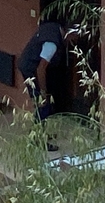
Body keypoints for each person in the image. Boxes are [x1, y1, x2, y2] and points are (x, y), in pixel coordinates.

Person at [18, 19, 72, 150]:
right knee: (42, 105)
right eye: (74, 37)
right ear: (68, 33)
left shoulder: (53, 27)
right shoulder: (52, 44)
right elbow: (41, 69)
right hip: (31, 69)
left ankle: (40, 132)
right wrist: (43, 92)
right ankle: (37, 138)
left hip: (28, 63)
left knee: (43, 104)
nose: (74, 41)